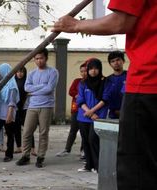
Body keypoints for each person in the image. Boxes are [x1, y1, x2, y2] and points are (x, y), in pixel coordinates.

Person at [53, 1, 157, 188]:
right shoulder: (83, 84)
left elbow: (120, 21)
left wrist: (75, 25)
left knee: (138, 170)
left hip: (148, 85)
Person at [16, 48, 59, 168]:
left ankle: (40, 157)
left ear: (46, 58)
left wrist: (34, 91)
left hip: (46, 106)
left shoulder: (53, 72)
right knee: (26, 132)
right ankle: (25, 156)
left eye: (41, 58)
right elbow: (27, 88)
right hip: (32, 106)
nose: (39, 61)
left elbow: (49, 88)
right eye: (36, 59)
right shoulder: (31, 73)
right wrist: (41, 88)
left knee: (43, 133)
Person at [75, 58, 112, 172]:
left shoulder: (105, 81)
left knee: (93, 139)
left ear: (100, 69)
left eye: (96, 68)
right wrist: (89, 112)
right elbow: (80, 100)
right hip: (84, 116)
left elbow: (105, 99)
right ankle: (88, 165)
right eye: (90, 69)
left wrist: (92, 112)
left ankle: (97, 166)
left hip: (98, 116)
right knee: (85, 141)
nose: (93, 71)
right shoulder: (83, 83)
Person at [56, 62, 87, 158]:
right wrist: (78, 95)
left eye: (85, 71)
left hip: (86, 110)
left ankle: (84, 150)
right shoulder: (77, 81)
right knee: (73, 130)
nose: (83, 73)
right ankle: (67, 149)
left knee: (84, 131)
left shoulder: (92, 83)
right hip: (76, 109)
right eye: (81, 71)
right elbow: (71, 91)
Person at [107, 51, 127, 119]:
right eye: (113, 61)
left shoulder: (130, 76)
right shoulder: (107, 80)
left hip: (129, 113)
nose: (116, 63)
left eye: (118, 60)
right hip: (113, 114)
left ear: (123, 61)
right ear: (110, 64)